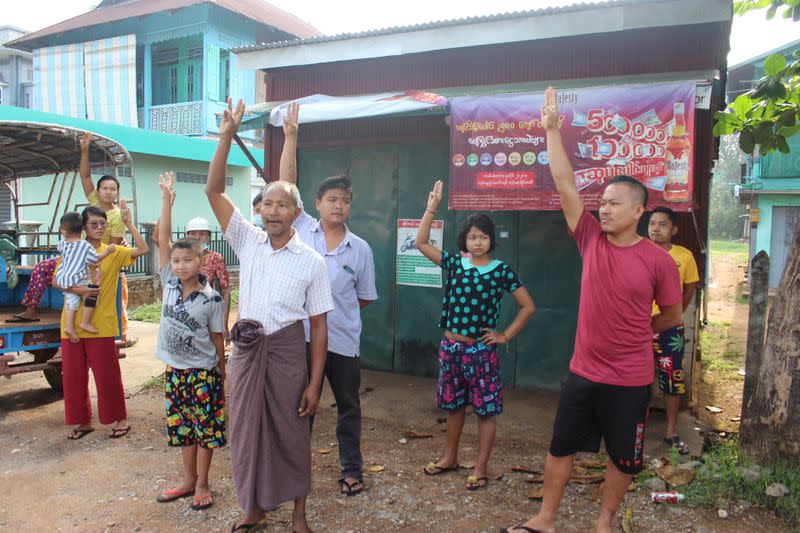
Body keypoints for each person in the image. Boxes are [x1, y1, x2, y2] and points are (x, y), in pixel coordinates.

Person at [501, 88, 683, 533]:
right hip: (583, 372)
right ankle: (545, 518)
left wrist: (640, 330)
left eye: (614, 202)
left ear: (639, 210)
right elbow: (565, 183)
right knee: (560, 447)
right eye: (601, 201)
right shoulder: (590, 238)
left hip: (631, 380)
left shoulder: (659, 260)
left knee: (624, 457)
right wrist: (551, 130)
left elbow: (673, 318)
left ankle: (604, 523)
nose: (603, 207)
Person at [206, 98, 333, 533]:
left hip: (285, 354)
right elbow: (214, 190)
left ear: (297, 214)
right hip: (246, 351)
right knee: (245, 431)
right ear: (259, 210)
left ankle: (299, 512)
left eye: (282, 205)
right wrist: (226, 135)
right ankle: (254, 508)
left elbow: (319, 327)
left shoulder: (312, 262)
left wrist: (315, 383)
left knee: (291, 432)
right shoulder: (247, 241)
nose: (273, 211)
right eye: (267, 204)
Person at [279, 102, 378, 496]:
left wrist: (339, 313)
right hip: (299, 338)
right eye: (332, 199)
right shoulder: (302, 230)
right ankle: (293, 471)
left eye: (345, 200)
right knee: (301, 407)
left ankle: (351, 470)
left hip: (341, 342)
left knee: (348, 408)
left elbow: (363, 299)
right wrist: (290, 137)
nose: (339, 205)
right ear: (316, 205)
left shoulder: (361, 249)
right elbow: (285, 186)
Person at [416, 180, 535, 490]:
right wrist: (432, 207)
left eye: (483, 237)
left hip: (480, 352)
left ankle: (480, 467)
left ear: (491, 240)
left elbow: (527, 306)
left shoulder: (501, 270)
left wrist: (504, 335)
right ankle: (450, 458)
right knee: (453, 406)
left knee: (485, 410)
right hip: (450, 348)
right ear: (464, 240)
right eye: (472, 237)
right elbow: (420, 242)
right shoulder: (456, 264)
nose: (478, 242)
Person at [6, 132, 137, 353]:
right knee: (41, 267)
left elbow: (113, 247)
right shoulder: (94, 203)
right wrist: (84, 150)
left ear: (117, 193)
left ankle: (86, 323)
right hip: (76, 255)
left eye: (113, 189)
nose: (108, 191)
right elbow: (85, 177)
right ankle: (31, 309)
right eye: (105, 187)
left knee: (86, 290)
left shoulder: (117, 217)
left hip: (94, 260)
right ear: (99, 191)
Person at [153, 172, 226, 512]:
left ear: (202, 261)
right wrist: (167, 201)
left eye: (187, 260)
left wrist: (222, 371)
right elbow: (164, 237)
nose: (180, 265)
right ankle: (186, 481)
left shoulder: (211, 299)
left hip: (202, 373)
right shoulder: (168, 282)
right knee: (184, 430)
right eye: (177, 260)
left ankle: (203, 482)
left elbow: (216, 337)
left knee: (205, 430)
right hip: (176, 373)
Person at [54, 201, 149, 441]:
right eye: (94, 224)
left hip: (101, 326)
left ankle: (120, 419)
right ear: (83, 226)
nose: (99, 227)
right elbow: (57, 281)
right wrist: (81, 291)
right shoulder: (72, 249)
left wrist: (128, 223)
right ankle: (83, 422)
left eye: (103, 224)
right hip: (71, 324)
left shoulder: (114, 252)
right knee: (74, 378)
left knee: (107, 376)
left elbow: (144, 249)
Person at [151, 185, 232, 344]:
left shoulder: (215, 258)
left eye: (202, 233)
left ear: (209, 237)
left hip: (204, 311)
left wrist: (224, 324)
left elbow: (225, 290)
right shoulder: (179, 254)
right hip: (179, 311)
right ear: (186, 235)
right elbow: (157, 237)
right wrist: (168, 205)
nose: (197, 237)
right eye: (193, 233)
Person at [648, 206, 699, 454]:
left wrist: (675, 314)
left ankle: (671, 430)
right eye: (652, 223)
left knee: (671, 379)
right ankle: (634, 426)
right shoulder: (638, 251)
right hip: (639, 327)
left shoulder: (684, 256)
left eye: (662, 224)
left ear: (674, 229)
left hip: (670, 330)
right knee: (637, 379)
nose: (656, 228)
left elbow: (690, 288)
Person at [55, 212, 116, 342]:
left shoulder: (63, 244)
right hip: (80, 279)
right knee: (93, 294)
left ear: (63, 231)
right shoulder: (84, 245)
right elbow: (95, 259)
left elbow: (59, 247)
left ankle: (69, 327)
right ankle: (85, 322)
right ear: (83, 229)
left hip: (66, 280)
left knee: (71, 303)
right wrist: (107, 252)